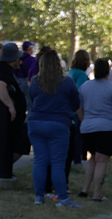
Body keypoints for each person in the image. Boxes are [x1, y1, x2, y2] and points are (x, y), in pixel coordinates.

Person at [27, 51, 81, 208]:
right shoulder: (67, 82)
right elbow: (76, 103)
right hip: (58, 123)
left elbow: (32, 99)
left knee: (40, 160)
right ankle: (62, 197)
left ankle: (39, 196)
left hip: (36, 122)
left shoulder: (35, 81)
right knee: (58, 163)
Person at [77, 58, 112, 201]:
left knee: (93, 158)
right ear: (108, 71)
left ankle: (85, 188)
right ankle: (97, 193)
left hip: (87, 128)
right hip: (106, 128)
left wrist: (84, 121)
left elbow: (79, 108)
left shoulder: (85, 86)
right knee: (102, 160)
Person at [0, 42, 30, 172]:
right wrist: (10, 106)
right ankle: (1, 171)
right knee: (17, 142)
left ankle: (1, 170)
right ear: (14, 58)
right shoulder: (4, 70)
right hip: (2, 116)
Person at [66, 50, 91, 166]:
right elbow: (80, 91)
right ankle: (77, 159)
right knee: (79, 136)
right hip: (78, 110)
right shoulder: (81, 75)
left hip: (68, 109)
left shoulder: (70, 72)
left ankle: (71, 158)